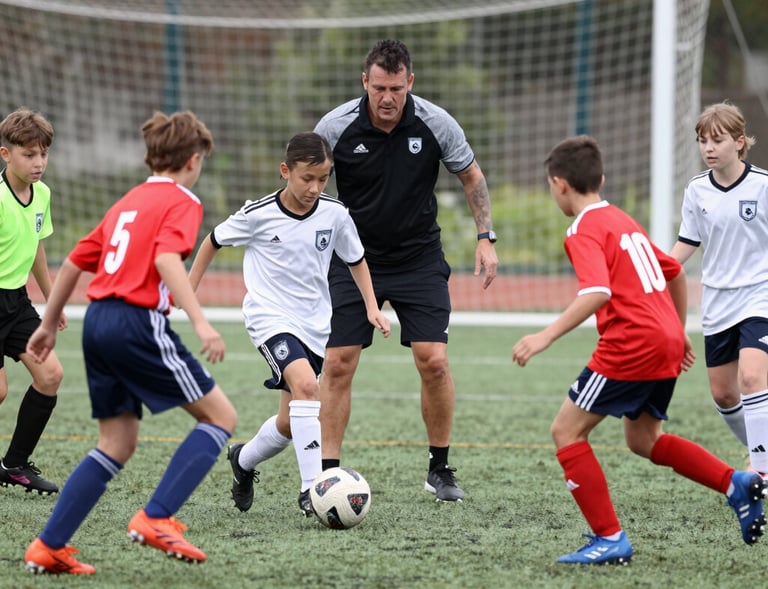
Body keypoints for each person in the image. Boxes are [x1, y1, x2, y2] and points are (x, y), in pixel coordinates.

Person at [511, 135, 767, 565]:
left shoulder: (583, 229)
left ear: (558, 185)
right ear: (602, 179)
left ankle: (609, 538)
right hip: (663, 338)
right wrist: (678, 328)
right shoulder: (622, 220)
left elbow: (596, 292)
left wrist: (545, 336)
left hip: (632, 344)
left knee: (566, 431)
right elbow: (675, 273)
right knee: (643, 439)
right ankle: (735, 483)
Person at [22, 111, 238, 575]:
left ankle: (49, 545)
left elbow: (78, 260)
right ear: (193, 160)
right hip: (135, 321)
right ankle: (156, 517)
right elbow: (166, 258)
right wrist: (201, 323)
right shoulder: (183, 200)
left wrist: (48, 321)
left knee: (116, 442)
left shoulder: (128, 201)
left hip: (97, 322)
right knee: (221, 417)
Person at [313, 39, 498, 502]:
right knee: (337, 364)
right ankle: (326, 475)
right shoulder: (335, 127)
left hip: (418, 257)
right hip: (353, 260)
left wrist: (485, 238)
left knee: (433, 361)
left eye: (396, 87)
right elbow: (308, 183)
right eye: (379, 88)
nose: (388, 97)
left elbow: (471, 175)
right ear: (365, 83)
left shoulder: (437, 123)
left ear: (410, 82)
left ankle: (440, 468)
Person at [188, 132, 390, 516]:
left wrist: (371, 307)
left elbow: (356, 259)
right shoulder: (258, 213)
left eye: (323, 178)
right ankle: (312, 489)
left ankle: (243, 460)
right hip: (268, 316)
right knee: (307, 387)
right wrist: (189, 289)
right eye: (306, 178)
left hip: (314, 324)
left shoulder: (335, 214)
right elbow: (212, 240)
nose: (315, 187)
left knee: (288, 421)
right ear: (286, 171)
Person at [670, 101, 768, 477]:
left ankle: (760, 472)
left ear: (740, 142)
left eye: (717, 140)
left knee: (751, 378)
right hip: (717, 301)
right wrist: (656, 270)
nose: (709, 148)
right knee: (725, 395)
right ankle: (761, 447)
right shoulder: (697, 191)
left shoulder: (761, 185)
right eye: (702, 141)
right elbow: (686, 244)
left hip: (759, 296)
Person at [0, 107, 66, 496]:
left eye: (43, 154)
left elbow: (36, 247)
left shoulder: (42, 194)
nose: (38, 162)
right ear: (6, 154)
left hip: (17, 303)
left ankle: (14, 465)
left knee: (50, 375)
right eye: (29, 154)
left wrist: (51, 301)